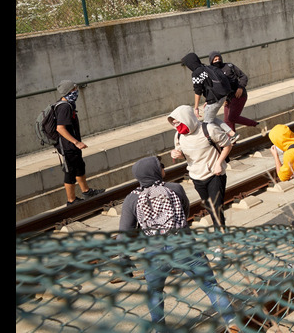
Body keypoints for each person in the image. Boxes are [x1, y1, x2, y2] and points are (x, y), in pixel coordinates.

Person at [117, 156, 240, 332]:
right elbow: (185, 210)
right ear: (155, 171)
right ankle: (231, 321)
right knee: (210, 286)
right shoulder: (175, 188)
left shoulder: (132, 199)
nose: (163, 168)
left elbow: (124, 234)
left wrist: (124, 259)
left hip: (155, 252)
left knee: (154, 293)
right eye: (160, 166)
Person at [168, 105, 233, 233]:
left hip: (215, 174)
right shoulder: (179, 136)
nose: (176, 126)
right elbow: (182, 154)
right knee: (210, 208)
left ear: (187, 119)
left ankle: (221, 239)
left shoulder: (209, 129)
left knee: (216, 208)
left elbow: (227, 145)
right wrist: (176, 154)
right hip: (196, 176)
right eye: (174, 123)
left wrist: (219, 163)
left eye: (178, 122)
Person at [53, 80, 104, 205]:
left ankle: (86, 191)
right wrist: (76, 142)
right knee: (70, 171)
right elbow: (60, 128)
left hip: (72, 145)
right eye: (74, 89)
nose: (76, 91)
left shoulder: (68, 104)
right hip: (68, 146)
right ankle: (71, 200)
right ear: (69, 91)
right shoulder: (64, 107)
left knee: (79, 166)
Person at [181, 52, 240, 144]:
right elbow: (209, 84)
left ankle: (224, 140)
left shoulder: (196, 73)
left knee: (207, 124)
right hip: (221, 96)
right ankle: (232, 134)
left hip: (214, 99)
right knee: (211, 118)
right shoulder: (207, 67)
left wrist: (196, 108)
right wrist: (207, 100)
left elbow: (198, 91)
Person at [208, 51, 259, 133]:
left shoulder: (229, 66)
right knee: (227, 121)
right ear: (211, 61)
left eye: (218, 58)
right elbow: (214, 87)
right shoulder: (212, 72)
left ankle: (256, 124)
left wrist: (241, 87)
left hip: (238, 95)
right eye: (215, 60)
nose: (217, 61)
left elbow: (243, 77)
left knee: (232, 118)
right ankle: (232, 141)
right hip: (227, 98)